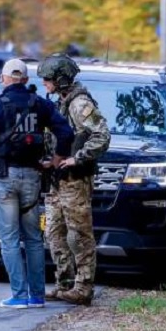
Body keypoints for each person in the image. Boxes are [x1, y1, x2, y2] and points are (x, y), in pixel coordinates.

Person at [0, 58, 74, 309]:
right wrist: (57, 159)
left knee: (9, 240)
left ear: (4, 80)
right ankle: (37, 296)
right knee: (34, 240)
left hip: (4, 179)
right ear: (26, 80)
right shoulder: (40, 105)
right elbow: (66, 132)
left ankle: (19, 295)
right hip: (32, 178)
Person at [37, 53, 111, 306]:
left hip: (75, 179)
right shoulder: (61, 102)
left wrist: (78, 158)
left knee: (78, 234)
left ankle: (83, 286)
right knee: (53, 232)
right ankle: (65, 283)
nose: (44, 83)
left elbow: (101, 135)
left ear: (61, 79)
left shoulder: (79, 104)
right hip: (57, 180)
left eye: (47, 79)